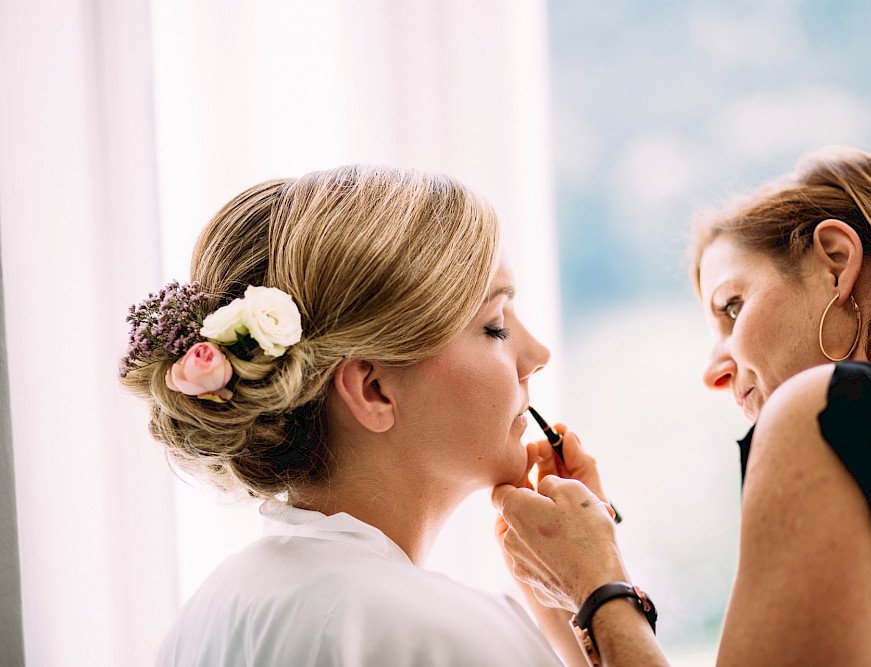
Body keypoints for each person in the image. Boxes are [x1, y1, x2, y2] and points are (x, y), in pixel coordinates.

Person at [493, 147, 871, 666]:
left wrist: (597, 588)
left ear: (836, 262)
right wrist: (574, 612)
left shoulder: (828, 413)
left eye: (732, 308)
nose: (714, 374)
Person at [119, 165, 585, 666]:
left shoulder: (212, 610)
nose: (537, 353)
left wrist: (572, 619)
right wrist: (604, 594)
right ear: (373, 389)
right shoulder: (442, 637)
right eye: (494, 326)